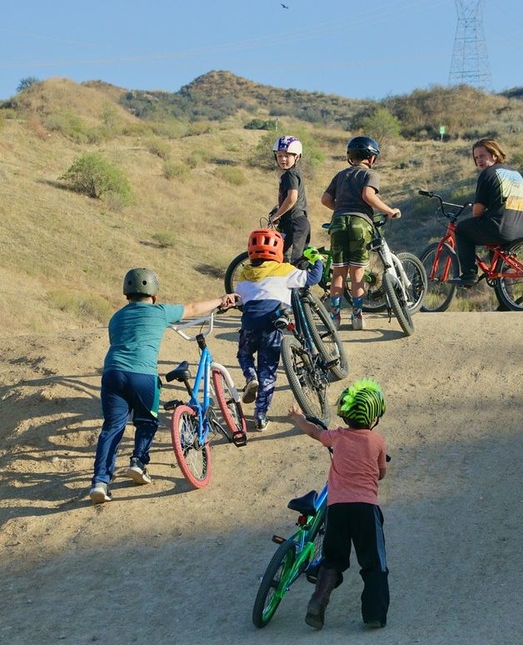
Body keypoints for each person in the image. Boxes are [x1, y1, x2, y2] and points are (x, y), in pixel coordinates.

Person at [88, 268, 236, 504]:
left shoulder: (116, 318)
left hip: (112, 373)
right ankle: (138, 462)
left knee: (112, 427)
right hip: (142, 374)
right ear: (154, 295)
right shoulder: (160, 312)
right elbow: (194, 309)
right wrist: (221, 300)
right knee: (147, 421)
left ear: (126, 294)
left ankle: (100, 482)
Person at [288, 378, 389, 630]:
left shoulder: (337, 437)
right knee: (373, 562)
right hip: (366, 509)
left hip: (337, 509)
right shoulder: (376, 441)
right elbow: (380, 473)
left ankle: (317, 602)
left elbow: (313, 431)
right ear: (374, 417)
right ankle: (374, 615)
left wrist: (298, 416)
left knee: (332, 560)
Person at [234, 228, 324, 432]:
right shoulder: (285, 270)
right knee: (268, 371)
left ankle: (250, 376)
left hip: (249, 324)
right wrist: (317, 260)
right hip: (273, 325)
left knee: (244, 354)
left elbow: (239, 300)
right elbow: (313, 279)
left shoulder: (244, 274)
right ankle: (260, 416)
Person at [321, 135, 401, 330]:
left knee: (338, 272)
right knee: (357, 272)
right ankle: (357, 317)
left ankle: (334, 317)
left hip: (338, 222)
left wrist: (341, 209)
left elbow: (325, 199)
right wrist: (389, 211)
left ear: (351, 157)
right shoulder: (370, 175)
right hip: (360, 223)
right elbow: (368, 195)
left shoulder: (340, 175)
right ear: (371, 158)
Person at [450, 138, 523, 287]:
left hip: (500, 228)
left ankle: (469, 275)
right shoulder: (515, 174)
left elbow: (477, 212)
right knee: (499, 262)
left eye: (482, 156)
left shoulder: (488, 174)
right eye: (476, 158)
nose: (478, 160)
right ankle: (506, 303)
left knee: (461, 229)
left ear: (494, 155)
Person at [268, 135, 312, 263]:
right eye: (280, 155)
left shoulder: (290, 174)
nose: (283, 159)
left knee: (292, 264)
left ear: (297, 157)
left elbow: (292, 198)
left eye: (287, 156)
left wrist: (276, 215)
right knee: (288, 261)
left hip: (295, 224)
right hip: (296, 223)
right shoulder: (292, 174)